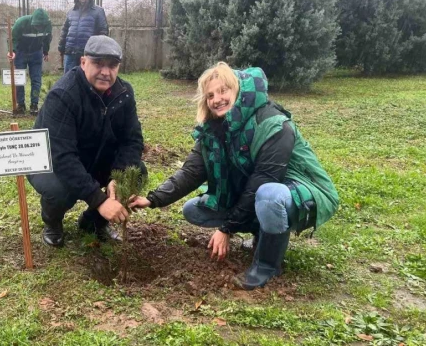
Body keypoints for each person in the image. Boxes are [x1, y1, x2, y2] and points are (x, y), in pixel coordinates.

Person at [129, 62, 339, 290]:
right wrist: (153, 199)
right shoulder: (213, 131)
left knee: (269, 195)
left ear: (237, 89)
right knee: (194, 210)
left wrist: (226, 228)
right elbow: (190, 172)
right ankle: (260, 231)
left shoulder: (272, 124)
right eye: (210, 95)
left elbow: (264, 179)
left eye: (222, 90)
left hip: (301, 191)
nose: (216, 99)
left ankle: (267, 265)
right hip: (256, 194)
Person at [28, 35, 145, 247]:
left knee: (135, 173)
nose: (105, 72)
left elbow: (132, 140)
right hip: (51, 162)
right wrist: (98, 200)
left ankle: (92, 222)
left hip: (95, 156)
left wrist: (118, 175)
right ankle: (52, 222)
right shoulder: (63, 95)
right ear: (83, 63)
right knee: (59, 190)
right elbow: (62, 156)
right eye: (98, 64)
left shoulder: (124, 93)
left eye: (112, 66)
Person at [7, 8, 52, 115]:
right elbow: (13, 39)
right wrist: (12, 51)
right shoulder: (21, 22)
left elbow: (47, 38)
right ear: (33, 21)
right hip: (20, 53)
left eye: (41, 26)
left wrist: (46, 51)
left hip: (36, 53)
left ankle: (34, 104)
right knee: (19, 79)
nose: (39, 28)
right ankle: (21, 104)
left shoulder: (48, 25)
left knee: (36, 80)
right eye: (37, 25)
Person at [58, 0, 109, 74]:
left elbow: (103, 31)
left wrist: (97, 50)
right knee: (69, 80)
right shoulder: (71, 12)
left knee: (87, 79)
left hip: (88, 53)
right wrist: (61, 48)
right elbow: (65, 31)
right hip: (70, 52)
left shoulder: (98, 11)